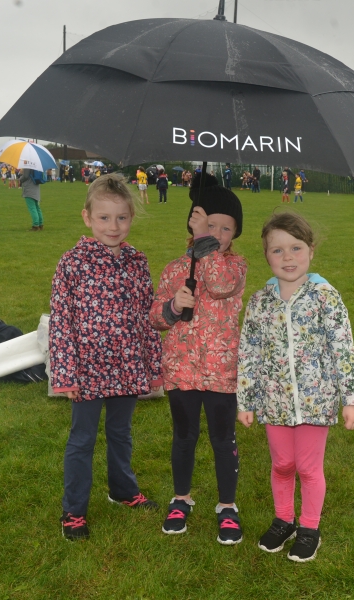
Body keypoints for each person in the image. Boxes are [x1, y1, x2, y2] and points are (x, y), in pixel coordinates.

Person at [237, 211, 354, 563]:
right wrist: (245, 400)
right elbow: (248, 352)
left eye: (296, 248)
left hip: (315, 401)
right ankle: (283, 520)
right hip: (274, 401)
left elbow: (343, 348)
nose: (287, 257)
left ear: (311, 251)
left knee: (307, 468)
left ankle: (309, 528)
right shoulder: (260, 302)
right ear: (266, 255)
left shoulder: (325, 297)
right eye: (277, 250)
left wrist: (351, 399)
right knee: (282, 464)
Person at [50, 173, 162, 541]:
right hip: (87, 370)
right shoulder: (72, 263)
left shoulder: (137, 262)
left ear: (131, 217)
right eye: (104, 217)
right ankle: (74, 511)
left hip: (127, 367)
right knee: (82, 439)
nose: (113, 226)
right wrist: (65, 374)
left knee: (121, 432)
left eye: (121, 218)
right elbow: (61, 322)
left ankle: (123, 490)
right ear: (87, 217)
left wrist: (151, 366)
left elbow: (146, 317)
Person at [150, 172, 246, 546]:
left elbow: (220, 285)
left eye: (225, 228)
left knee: (223, 439)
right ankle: (181, 498)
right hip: (182, 369)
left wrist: (205, 242)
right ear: (191, 223)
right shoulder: (175, 269)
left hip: (221, 372)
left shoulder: (235, 267)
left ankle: (227, 505)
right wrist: (174, 306)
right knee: (184, 436)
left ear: (234, 234)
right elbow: (155, 318)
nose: (217, 234)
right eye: (209, 225)